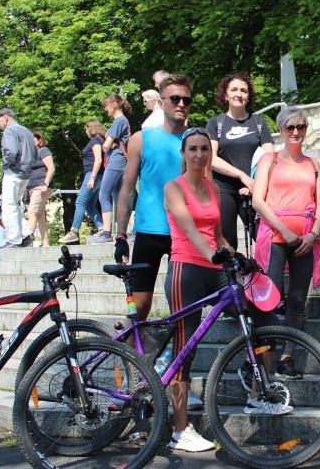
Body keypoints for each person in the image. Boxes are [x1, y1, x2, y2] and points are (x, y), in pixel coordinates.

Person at [113, 74, 207, 411]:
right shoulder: (141, 139)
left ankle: (181, 385)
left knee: (186, 313)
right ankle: (134, 375)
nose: (181, 105)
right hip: (150, 233)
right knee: (139, 309)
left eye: (186, 100)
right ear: (161, 102)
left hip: (185, 236)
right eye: (174, 99)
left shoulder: (198, 142)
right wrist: (120, 234)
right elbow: (126, 188)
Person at [162, 128, 230, 452]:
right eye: (193, 149)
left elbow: (218, 235)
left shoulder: (214, 187)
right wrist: (212, 254)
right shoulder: (173, 187)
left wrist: (238, 256)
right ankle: (179, 429)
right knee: (184, 350)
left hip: (213, 268)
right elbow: (190, 229)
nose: (200, 155)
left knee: (253, 309)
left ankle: (258, 383)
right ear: (184, 153)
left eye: (205, 148)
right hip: (185, 270)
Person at [252, 108, 320, 380]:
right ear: (281, 130)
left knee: (297, 300)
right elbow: (258, 200)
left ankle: (287, 357)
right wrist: (283, 229)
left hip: (304, 239)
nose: (296, 132)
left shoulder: (313, 164)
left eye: (301, 127)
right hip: (275, 236)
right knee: (269, 299)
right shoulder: (269, 160)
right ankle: (265, 356)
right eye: (290, 127)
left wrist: (313, 234)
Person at [206, 72, 275, 251]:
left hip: (254, 187)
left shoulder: (259, 122)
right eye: (234, 89)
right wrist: (241, 175)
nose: (239, 94)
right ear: (225, 94)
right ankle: (230, 277)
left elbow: (270, 157)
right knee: (227, 242)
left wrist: (255, 183)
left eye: (244, 90)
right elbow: (211, 159)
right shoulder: (216, 123)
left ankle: (264, 277)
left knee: (263, 237)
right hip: (224, 188)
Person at [90, 94, 132, 243]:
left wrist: (107, 145)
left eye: (107, 105)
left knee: (103, 194)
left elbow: (106, 145)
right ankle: (124, 231)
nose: (106, 109)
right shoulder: (122, 121)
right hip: (119, 160)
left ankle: (106, 233)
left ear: (114, 104)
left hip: (116, 161)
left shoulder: (119, 121)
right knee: (118, 196)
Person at [0, 108, 37, 249]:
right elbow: (35, 152)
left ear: (6, 117)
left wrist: (5, 165)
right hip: (26, 173)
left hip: (13, 172)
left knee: (8, 206)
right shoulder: (27, 131)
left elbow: (11, 151)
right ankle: (26, 234)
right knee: (17, 204)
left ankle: (14, 239)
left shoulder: (9, 130)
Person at [59, 120, 106, 244]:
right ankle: (102, 228)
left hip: (93, 175)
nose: (85, 132)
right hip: (98, 176)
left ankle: (74, 231)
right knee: (90, 205)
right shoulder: (101, 139)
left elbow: (98, 160)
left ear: (90, 128)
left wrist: (92, 177)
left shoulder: (96, 140)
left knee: (80, 202)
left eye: (86, 129)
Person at [25, 131, 55, 247]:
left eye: (32, 140)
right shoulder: (32, 155)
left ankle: (27, 243)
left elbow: (51, 168)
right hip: (34, 188)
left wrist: (45, 184)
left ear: (39, 140)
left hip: (41, 186)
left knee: (31, 213)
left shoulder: (43, 151)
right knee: (39, 216)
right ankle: (45, 243)